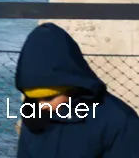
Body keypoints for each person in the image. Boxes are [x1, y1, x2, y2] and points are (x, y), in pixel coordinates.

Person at [15, 21, 139, 156]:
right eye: (33, 98)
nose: (42, 105)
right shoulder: (33, 114)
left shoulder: (119, 120)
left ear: (72, 87)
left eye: (49, 98)